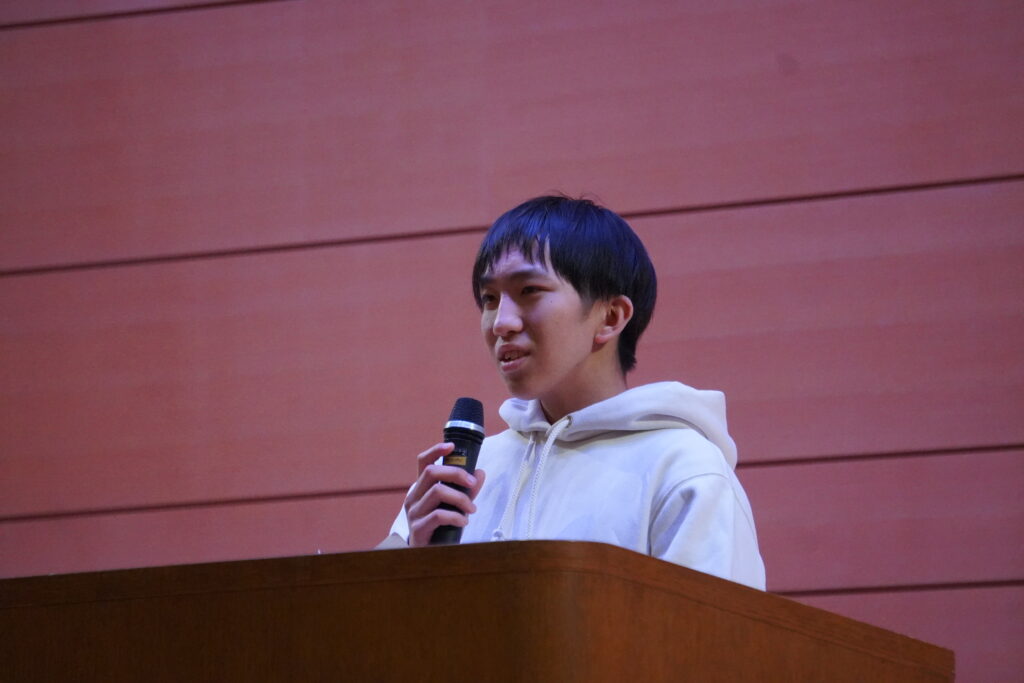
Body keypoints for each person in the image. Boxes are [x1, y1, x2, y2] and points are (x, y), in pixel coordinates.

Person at [383, 195, 765, 590]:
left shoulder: (685, 470)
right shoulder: (464, 471)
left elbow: (714, 628)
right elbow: (361, 611)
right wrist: (410, 555)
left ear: (610, 317)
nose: (500, 323)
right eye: (489, 299)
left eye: (529, 290)